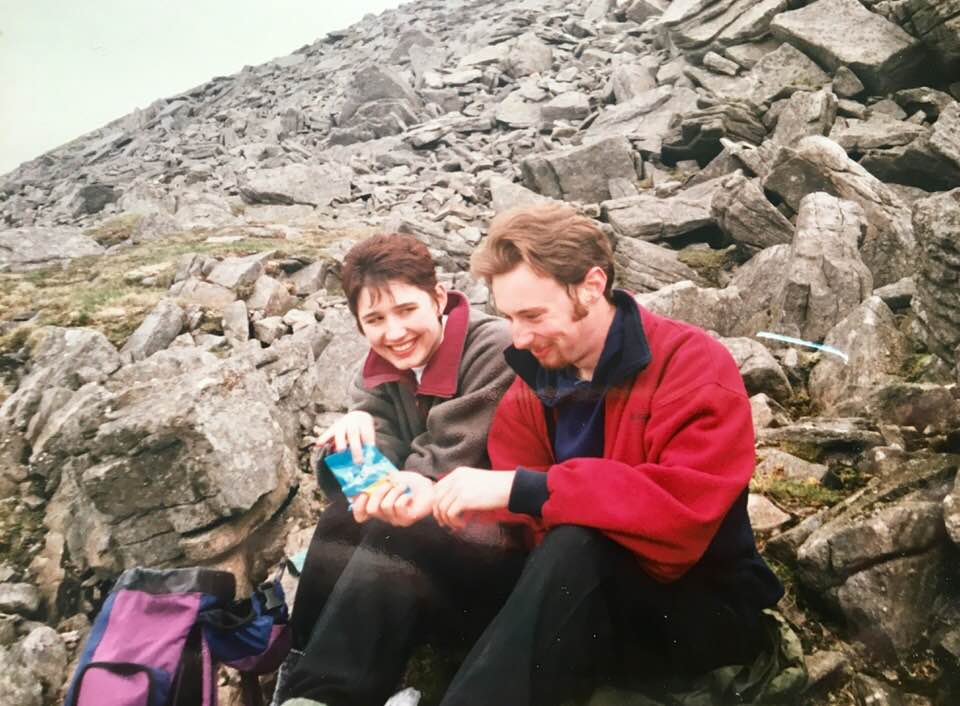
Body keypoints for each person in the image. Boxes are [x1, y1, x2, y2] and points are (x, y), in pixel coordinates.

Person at [425, 203, 784, 704]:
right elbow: (520, 519)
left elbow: (679, 520)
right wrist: (430, 503)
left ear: (592, 286)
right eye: (509, 318)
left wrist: (530, 491)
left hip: (699, 610)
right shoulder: (535, 382)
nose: (520, 338)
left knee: (579, 542)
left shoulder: (692, 364)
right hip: (580, 599)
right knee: (415, 533)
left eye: (532, 315)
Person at [278, 233, 523, 706]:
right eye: (374, 319)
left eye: (406, 310)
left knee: (400, 527)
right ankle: (301, 664)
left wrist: (379, 476)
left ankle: (329, 695)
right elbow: (362, 482)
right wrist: (352, 436)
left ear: (437, 298)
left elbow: (448, 461)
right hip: (443, 546)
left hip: (504, 551)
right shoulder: (377, 369)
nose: (393, 333)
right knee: (340, 519)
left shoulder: (493, 347)